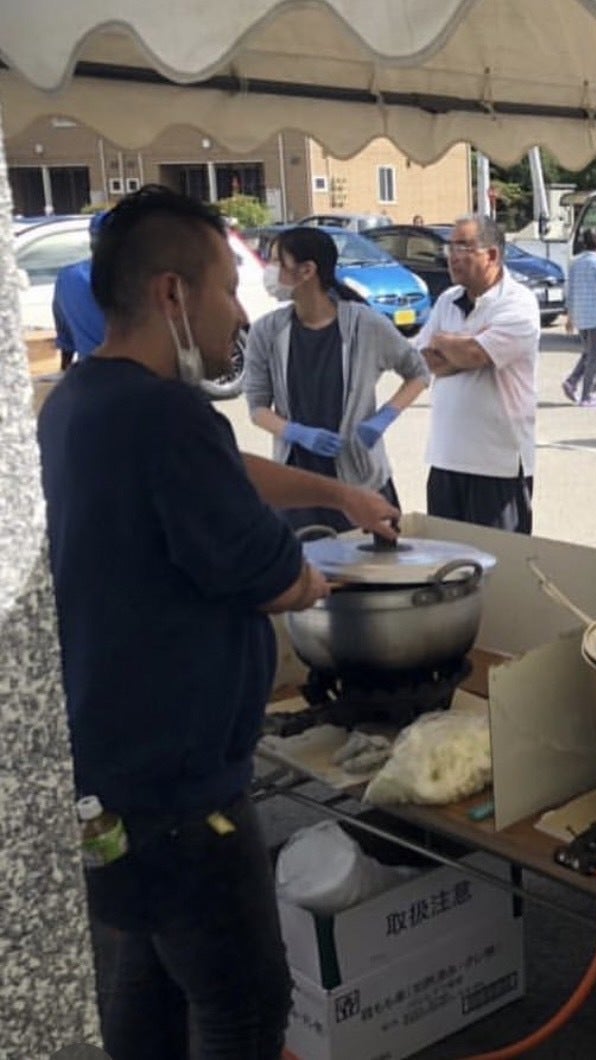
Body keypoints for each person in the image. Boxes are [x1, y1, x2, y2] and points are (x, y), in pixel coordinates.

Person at [37, 185, 399, 1060]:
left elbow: (222, 466)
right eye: (229, 290)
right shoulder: (168, 414)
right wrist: (308, 576)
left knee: (152, 977)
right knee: (243, 1005)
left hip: (108, 770)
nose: (241, 314)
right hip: (184, 792)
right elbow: (273, 575)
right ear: (172, 294)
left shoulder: (80, 400)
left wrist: (336, 492)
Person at [244, 226, 428, 532]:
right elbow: (257, 408)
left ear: (307, 271)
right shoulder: (267, 331)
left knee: (370, 561)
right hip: (298, 489)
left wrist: (383, 418)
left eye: (277, 261)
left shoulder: (365, 324)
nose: (269, 270)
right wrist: (296, 432)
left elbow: (418, 372)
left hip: (362, 483)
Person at [415, 213, 541, 533]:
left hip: (497, 464)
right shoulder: (447, 301)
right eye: (450, 248)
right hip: (446, 457)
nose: (452, 257)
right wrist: (467, 349)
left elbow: (475, 354)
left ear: (492, 255)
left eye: (463, 247)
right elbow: (426, 360)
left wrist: (449, 345)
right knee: (445, 555)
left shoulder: (518, 303)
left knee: (499, 558)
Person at [561, 227, 596, 406]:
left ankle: (572, 382)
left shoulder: (575, 264)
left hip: (580, 317)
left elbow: (570, 292)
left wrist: (570, 317)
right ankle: (588, 395)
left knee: (588, 353)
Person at [52, 210, 110, 368]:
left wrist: (66, 376)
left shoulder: (68, 278)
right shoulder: (138, 279)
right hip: (139, 373)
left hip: (89, 373)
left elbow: (66, 341)